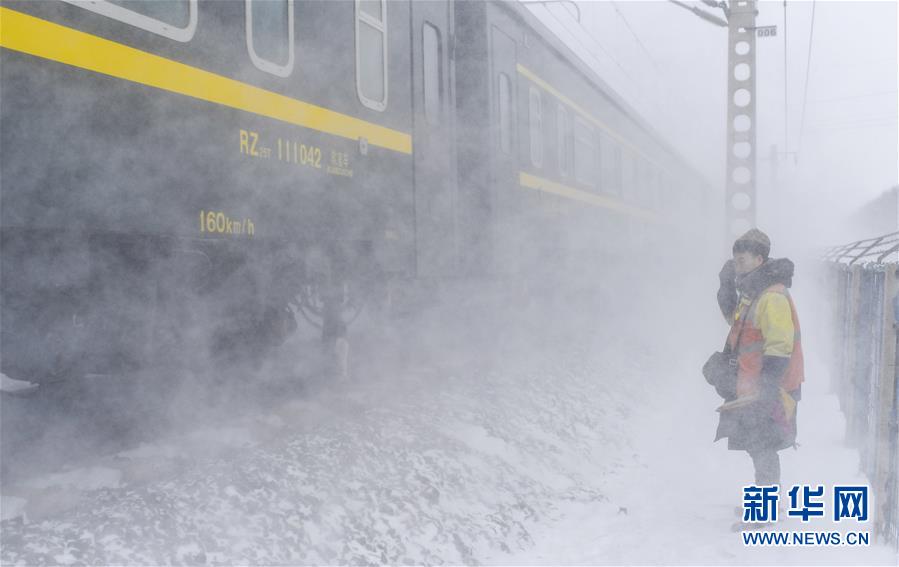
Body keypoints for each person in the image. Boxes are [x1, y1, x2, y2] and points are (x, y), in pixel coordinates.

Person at [715, 229, 805, 494]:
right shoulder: (755, 292)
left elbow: (780, 346)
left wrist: (767, 388)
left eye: (742, 260)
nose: (737, 265)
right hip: (757, 384)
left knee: (762, 447)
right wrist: (725, 286)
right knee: (758, 446)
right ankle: (767, 506)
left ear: (760, 260)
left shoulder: (771, 297)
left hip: (771, 386)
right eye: (735, 260)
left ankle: (765, 513)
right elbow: (737, 321)